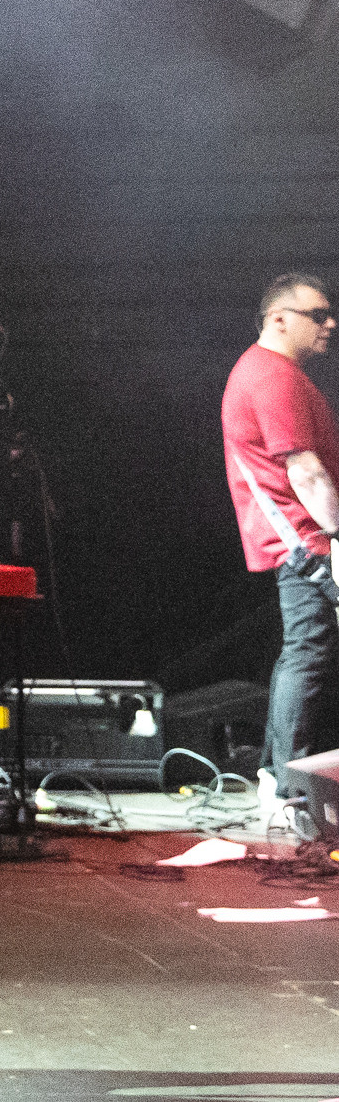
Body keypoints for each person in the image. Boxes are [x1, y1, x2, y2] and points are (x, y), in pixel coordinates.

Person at [220, 271, 339, 830]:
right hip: (306, 540)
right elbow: (304, 467)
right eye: (318, 315)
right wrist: (336, 539)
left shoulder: (272, 373)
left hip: (302, 538)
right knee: (308, 651)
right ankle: (287, 789)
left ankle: (282, 780)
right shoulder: (272, 377)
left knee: (306, 651)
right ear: (279, 319)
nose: (330, 323)